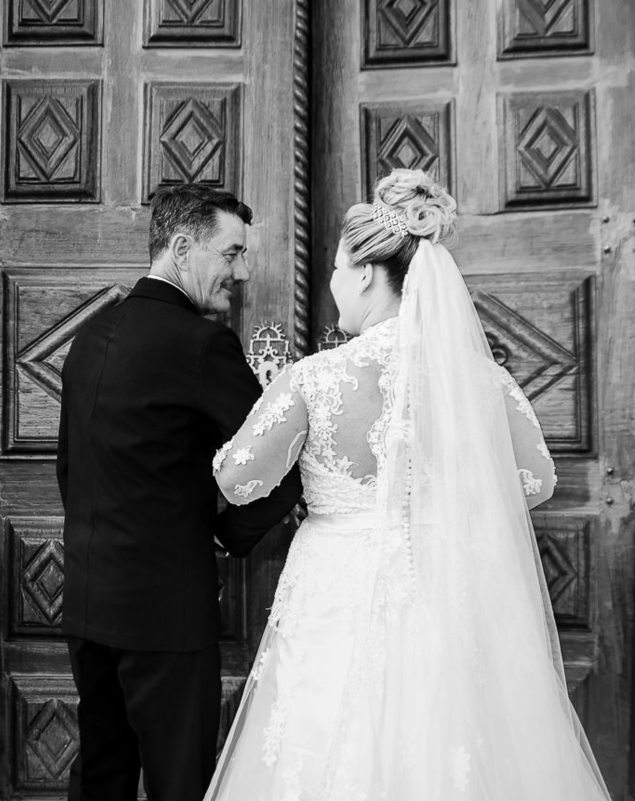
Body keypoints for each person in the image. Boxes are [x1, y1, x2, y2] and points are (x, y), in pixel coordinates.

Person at [205, 169, 611, 799]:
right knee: (448, 742)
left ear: (367, 273)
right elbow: (536, 481)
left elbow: (238, 482)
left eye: (337, 269)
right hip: (448, 589)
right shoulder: (481, 380)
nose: (333, 284)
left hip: (336, 598)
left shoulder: (313, 379)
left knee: (329, 746)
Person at [57, 184, 303, 801]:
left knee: (102, 775)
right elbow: (281, 465)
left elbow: (69, 469)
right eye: (232, 254)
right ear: (183, 247)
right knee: (180, 784)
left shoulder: (88, 334)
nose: (241, 273)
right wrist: (227, 536)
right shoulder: (202, 344)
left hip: (87, 601)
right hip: (166, 612)